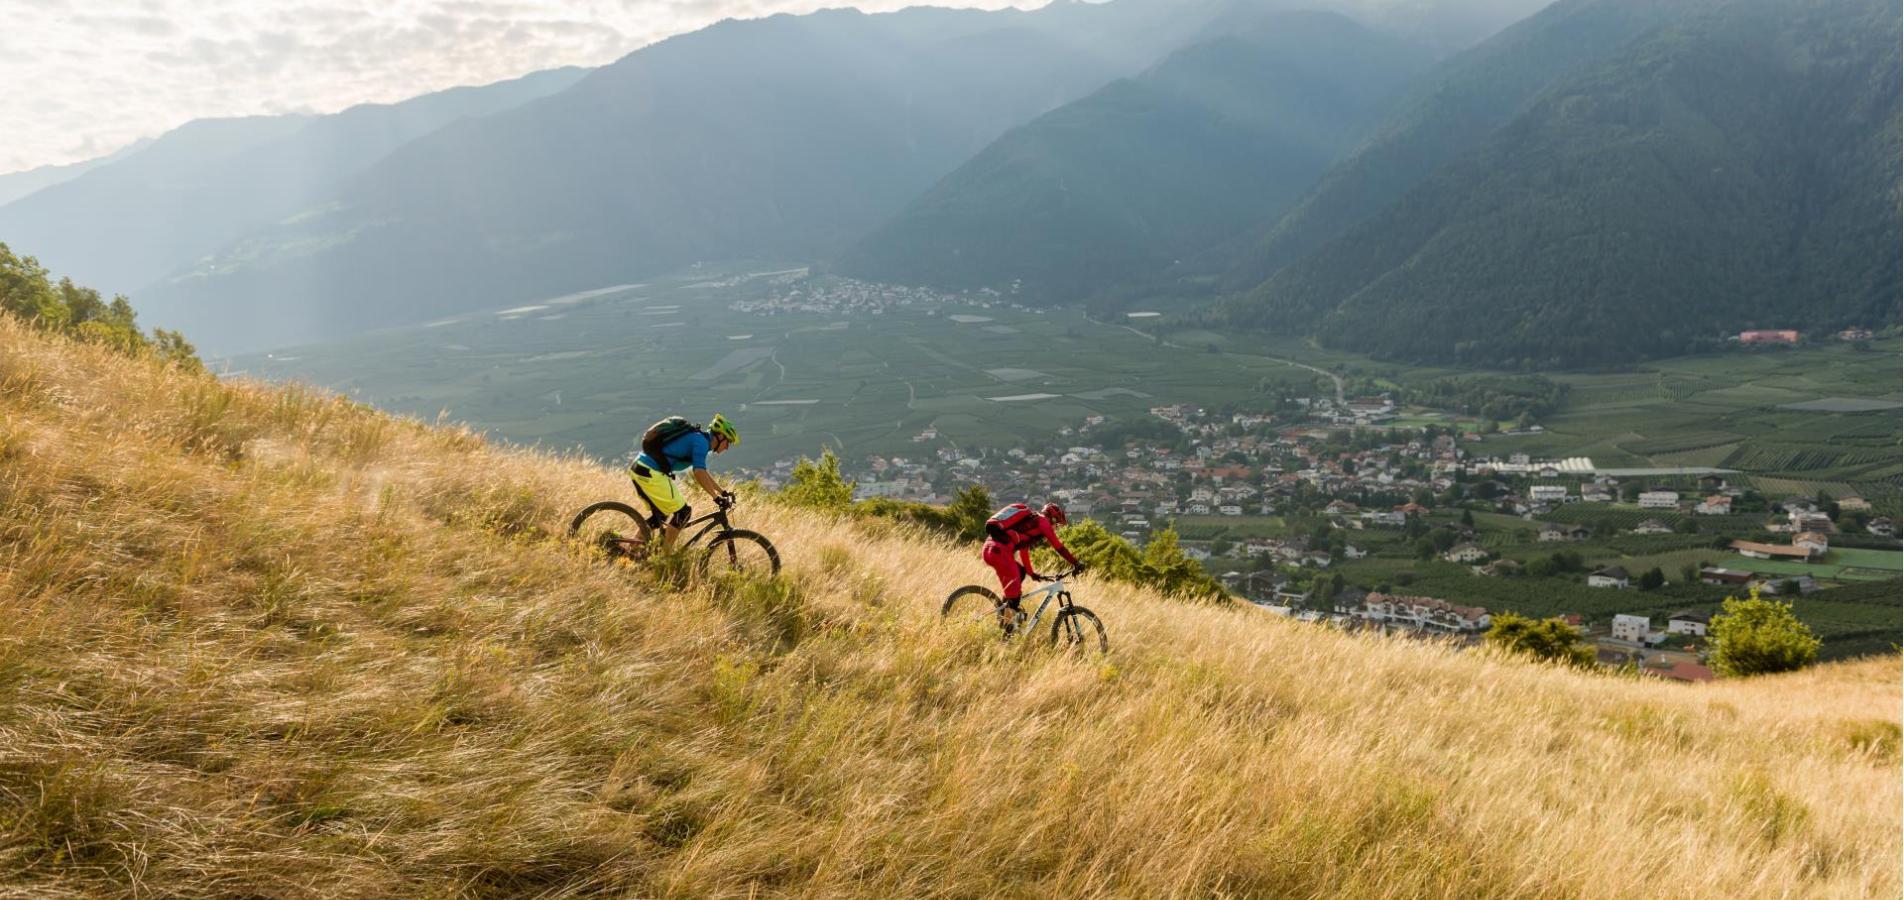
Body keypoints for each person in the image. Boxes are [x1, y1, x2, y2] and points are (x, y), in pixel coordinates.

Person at [625, 414, 740, 550]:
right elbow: (698, 472)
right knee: (683, 513)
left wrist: (722, 492)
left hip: (641, 468)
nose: (727, 447)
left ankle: (631, 548)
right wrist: (716, 498)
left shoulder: (700, 440)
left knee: (660, 515)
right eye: (728, 442)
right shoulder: (701, 443)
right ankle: (665, 556)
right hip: (650, 472)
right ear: (720, 436)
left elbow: (703, 472)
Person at [982, 501, 1084, 633]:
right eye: (1057, 523)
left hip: (989, 549)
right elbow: (1058, 547)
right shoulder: (1043, 522)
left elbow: (1024, 550)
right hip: (1000, 552)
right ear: (1052, 518)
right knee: (1014, 595)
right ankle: (1006, 638)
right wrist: (1076, 563)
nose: (1056, 527)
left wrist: (1031, 573)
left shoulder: (1030, 524)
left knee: (1021, 573)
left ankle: (1006, 612)